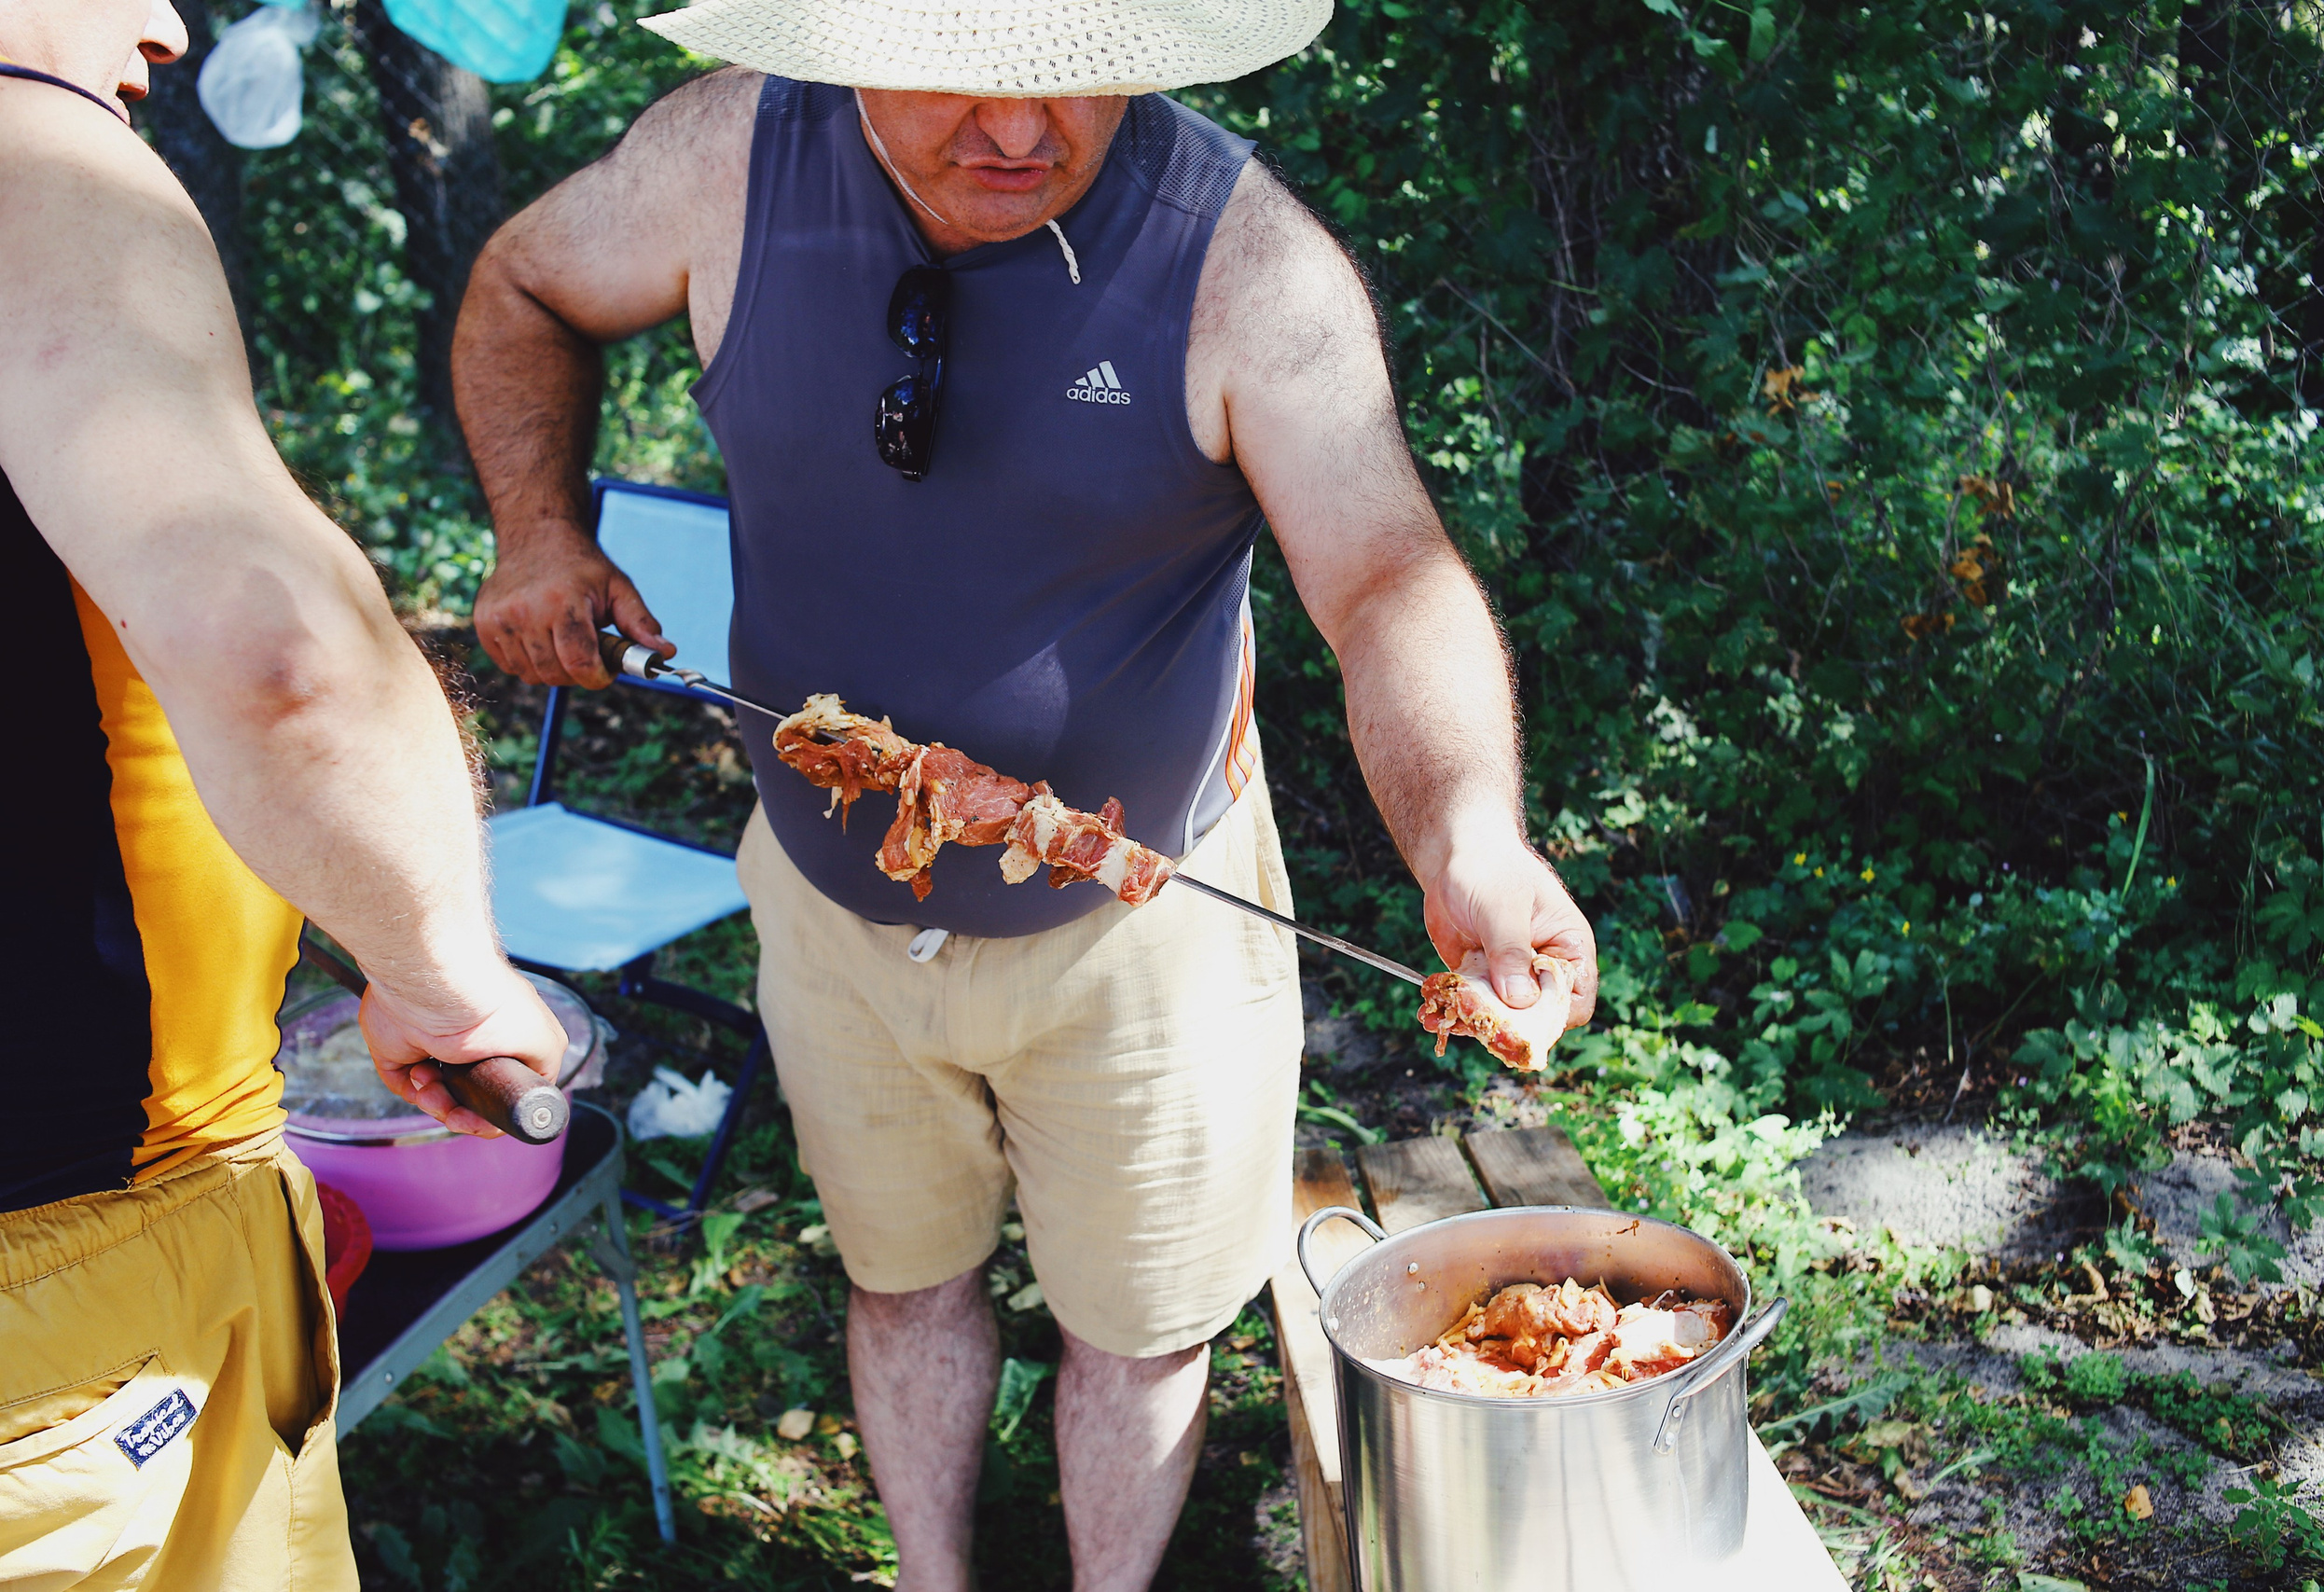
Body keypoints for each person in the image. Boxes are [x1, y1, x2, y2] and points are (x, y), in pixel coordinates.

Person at [458, 0, 1598, 1584]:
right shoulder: (731, 158)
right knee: (902, 1282)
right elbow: (522, 282)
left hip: (1147, 930)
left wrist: (1468, 830)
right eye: (959, 77)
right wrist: (536, 529)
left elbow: (1389, 580)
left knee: (1140, 1331)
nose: (1017, 131)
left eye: (1071, 76)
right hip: (832, 911)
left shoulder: (1244, 264)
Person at [0, 3, 567, 1585]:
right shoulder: (30, 163)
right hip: (79, 1275)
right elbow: (278, 652)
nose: (165, 26)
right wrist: (445, 977)